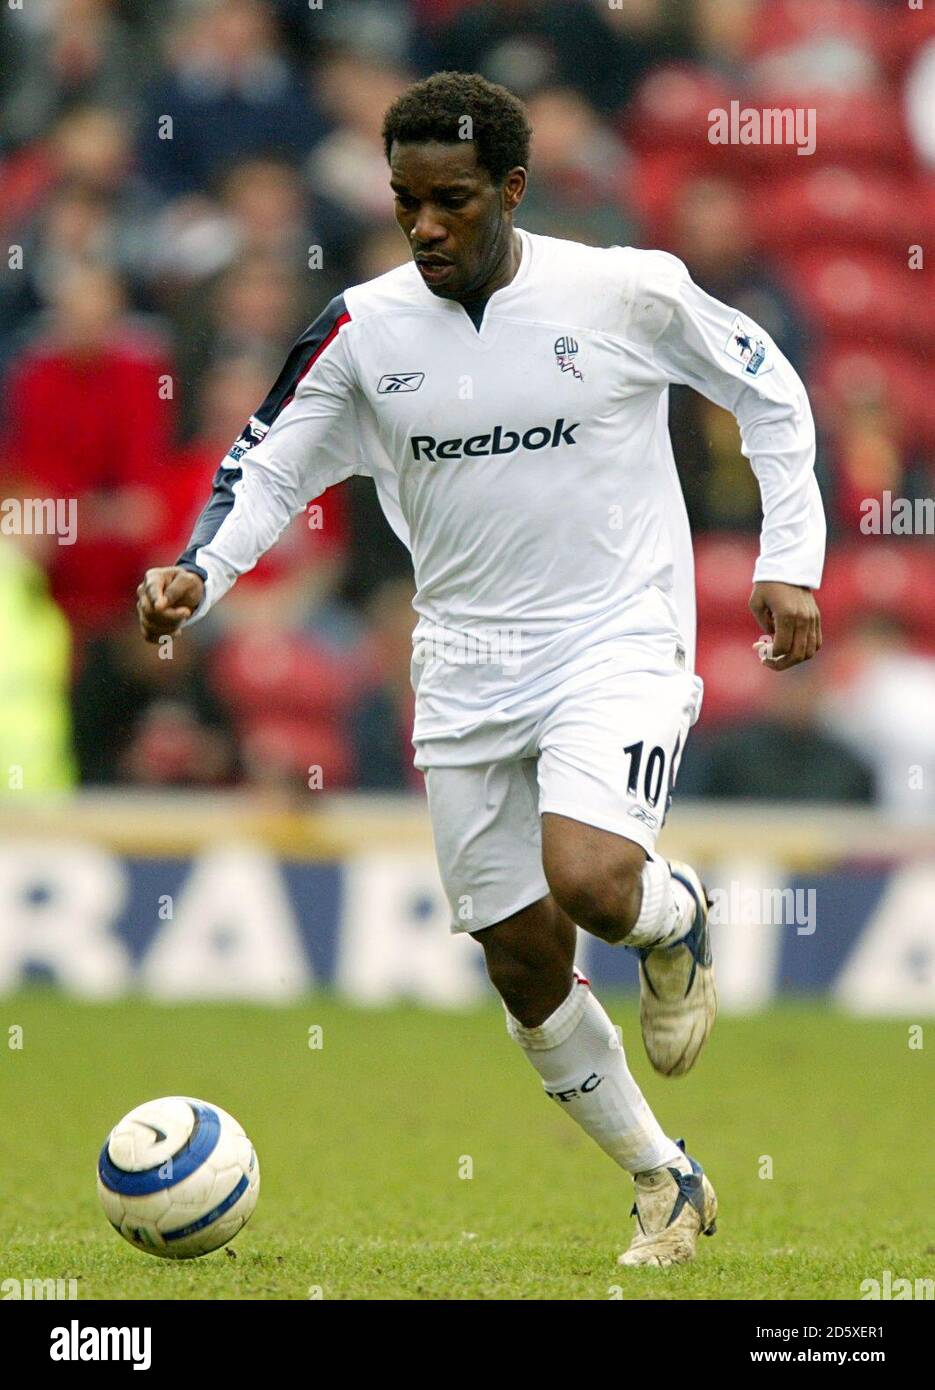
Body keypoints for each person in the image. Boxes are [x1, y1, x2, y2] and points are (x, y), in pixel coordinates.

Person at [137, 72, 825, 1269]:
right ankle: (663, 1179)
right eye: (405, 202)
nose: (424, 227)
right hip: (461, 665)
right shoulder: (364, 327)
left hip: (614, 635)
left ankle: (673, 918)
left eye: (450, 201)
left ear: (510, 188)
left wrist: (790, 555)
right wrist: (201, 571)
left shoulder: (621, 290)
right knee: (520, 961)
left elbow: (764, 384)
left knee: (594, 876)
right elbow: (271, 461)